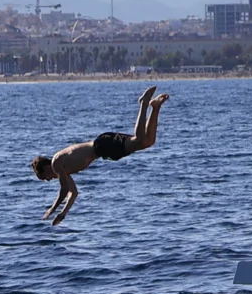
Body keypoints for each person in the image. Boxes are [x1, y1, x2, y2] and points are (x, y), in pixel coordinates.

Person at [30, 85, 168, 224]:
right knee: (147, 142)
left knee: (139, 140)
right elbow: (73, 193)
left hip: (102, 145)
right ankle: (155, 107)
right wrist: (62, 214)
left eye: (45, 177)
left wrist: (52, 209)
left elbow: (64, 190)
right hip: (103, 150)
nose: (49, 179)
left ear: (45, 167)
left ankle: (144, 103)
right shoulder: (64, 172)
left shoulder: (56, 163)